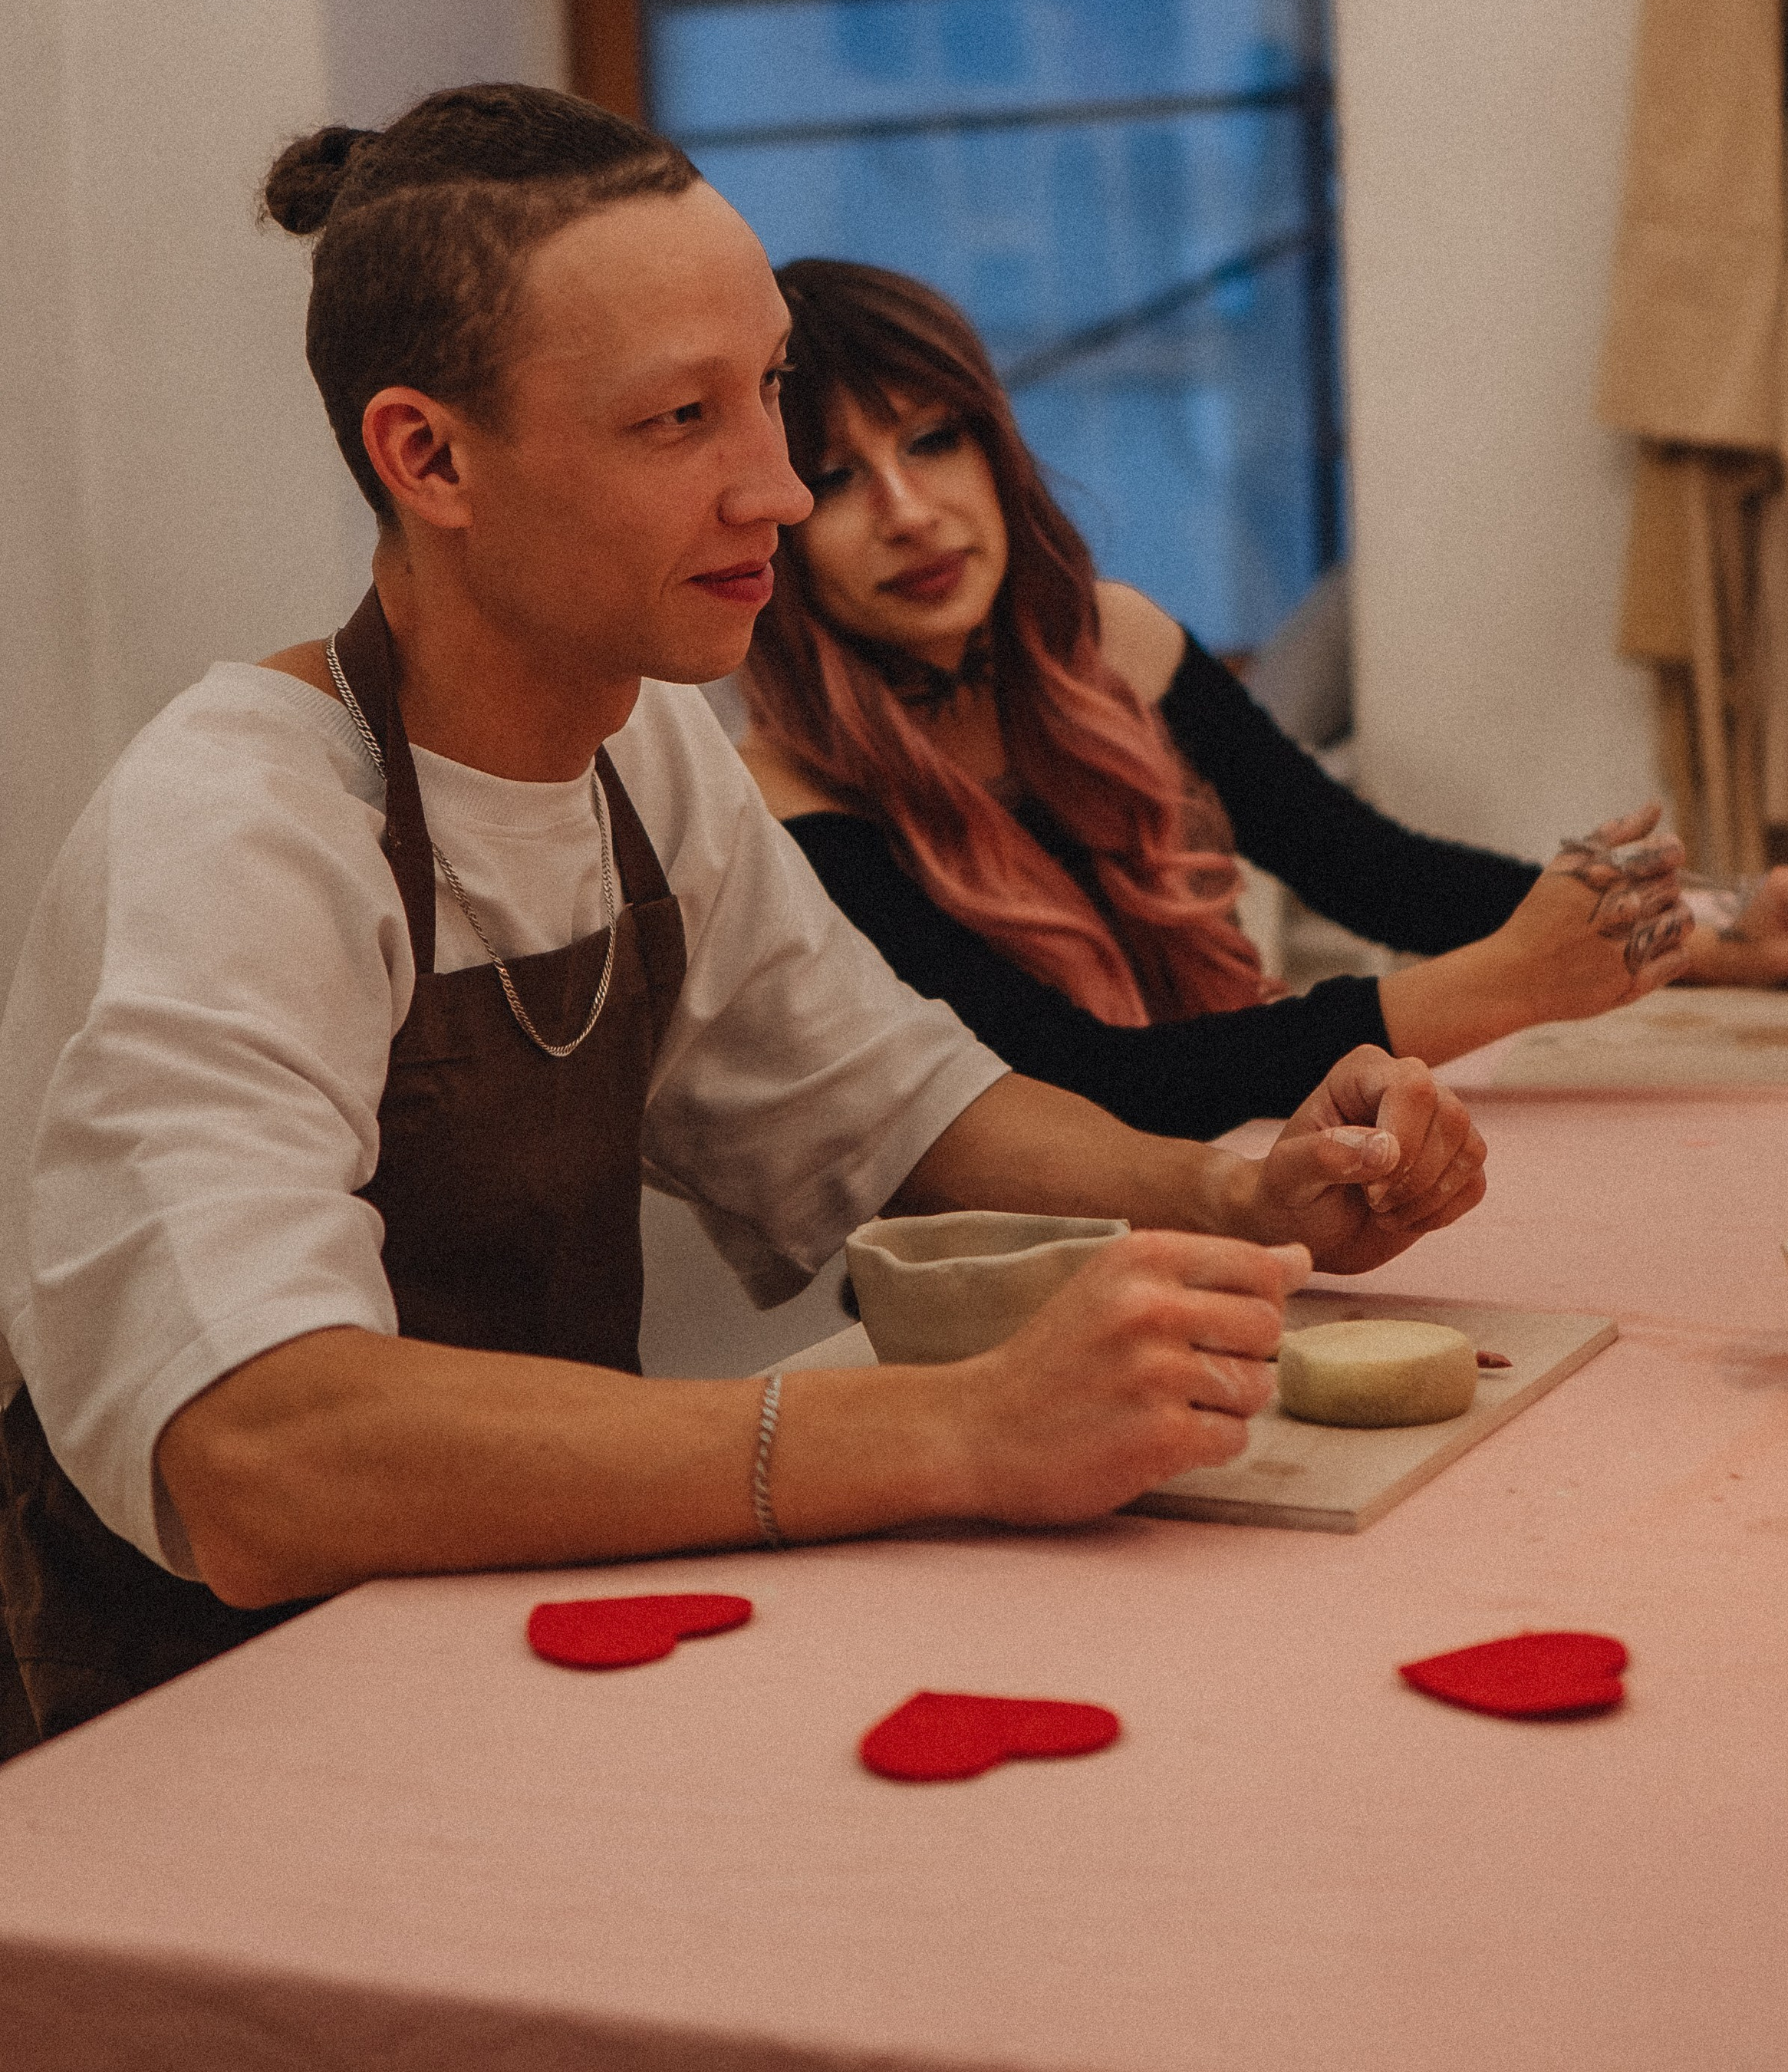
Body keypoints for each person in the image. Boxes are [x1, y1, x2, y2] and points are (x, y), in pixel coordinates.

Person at [0, 86, 1487, 1745]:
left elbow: (897, 1108)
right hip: (200, 1725)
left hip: (509, 1653)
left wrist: (1241, 1191)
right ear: (429, 457)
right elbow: (256, 1449)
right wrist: (956, 1430)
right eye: (678, 420)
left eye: (766, 390)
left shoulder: (645, 751)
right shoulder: (239, 828)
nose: (777, 490)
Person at [736, 260, 1788, 1141]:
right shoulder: (782, 799)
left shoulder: (1113, 641)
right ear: (772, 524)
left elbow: (1376, 873)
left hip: (1232, 1177)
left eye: (934, 440)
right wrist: (1506, 982)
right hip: (991, 1279)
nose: (909, 512)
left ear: (997, 448)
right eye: (833, 478)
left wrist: (1720, 931)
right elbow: (1081, 1083)